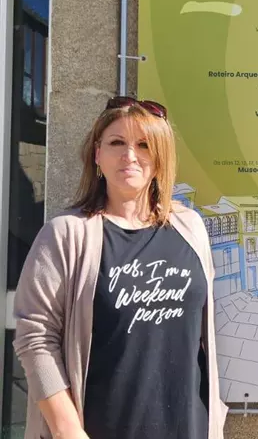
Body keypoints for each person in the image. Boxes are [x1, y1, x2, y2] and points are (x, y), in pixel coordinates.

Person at [12, 97, 228, 439]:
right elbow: (35, 336)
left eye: (144, 144)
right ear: (97, 154)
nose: (130, 155)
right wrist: (67, 429)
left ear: (160, 158)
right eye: (117, 143)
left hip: (188, 427)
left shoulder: (190, 228)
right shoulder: (67, 234)